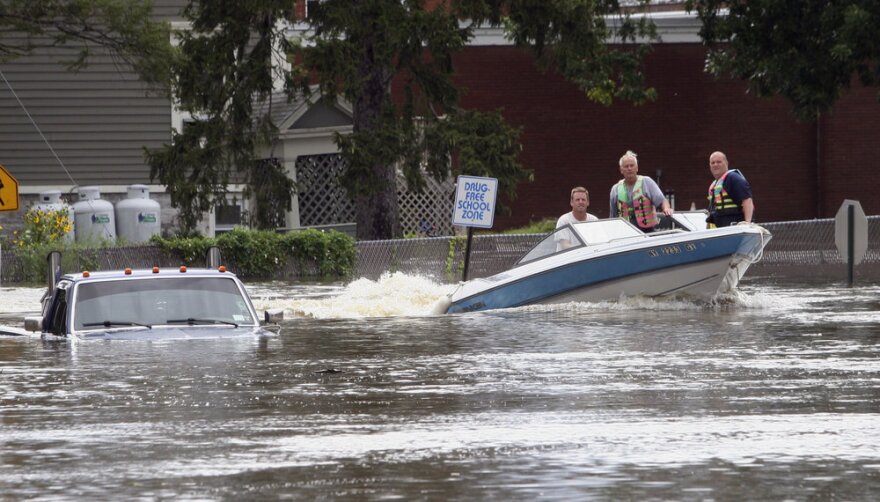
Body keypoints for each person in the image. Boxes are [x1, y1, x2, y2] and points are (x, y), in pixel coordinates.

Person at [609, 150, 672, 232]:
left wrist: (666, 208)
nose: (629, 168)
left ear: (637, 168)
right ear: (621, 170)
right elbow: (613, 216)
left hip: (647, 231)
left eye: (632, 165)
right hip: (625, 233)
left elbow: (662, 200)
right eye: (626, 166)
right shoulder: (615, 189)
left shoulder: (647, 182)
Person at [706, 151, 754, 228]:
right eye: (712, 163)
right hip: (721, 228)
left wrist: (747, 223)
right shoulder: (714, 185)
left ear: (726, 163)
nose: (715, 165)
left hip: (735, 227)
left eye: (719, 162)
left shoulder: (733, 178)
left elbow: (747, 200)